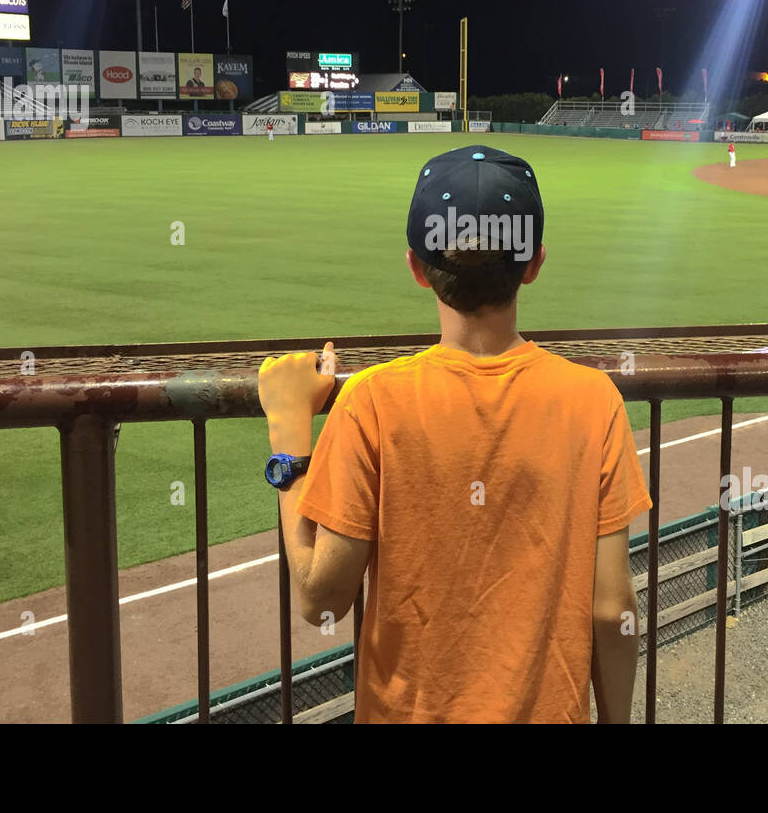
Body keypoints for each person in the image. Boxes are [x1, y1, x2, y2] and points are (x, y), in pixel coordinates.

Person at [256, 145, 652, 723]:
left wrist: (289, 433)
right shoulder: (594, 400)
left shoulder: (371, 400)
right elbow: (611, 608)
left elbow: (320, 599)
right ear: (534, 262)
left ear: (418, 268)